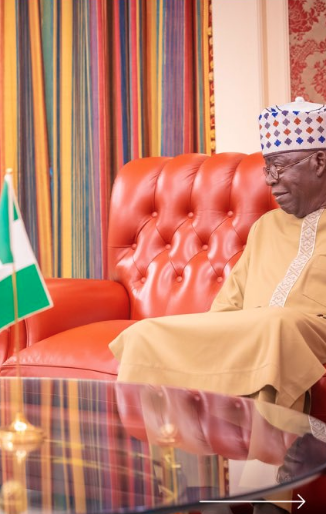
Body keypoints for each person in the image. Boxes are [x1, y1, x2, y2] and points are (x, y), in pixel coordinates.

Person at [109, 97, 326, 514]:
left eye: (282, 168)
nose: (271, 181)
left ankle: (270, 501)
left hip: (304, 332)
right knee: (145, 335)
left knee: (275, 327)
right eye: (267, 170)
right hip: (256, 333)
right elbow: (228, 309)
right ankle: (177, 486)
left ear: (319, 162)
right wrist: (206, 340)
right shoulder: (266, 227)